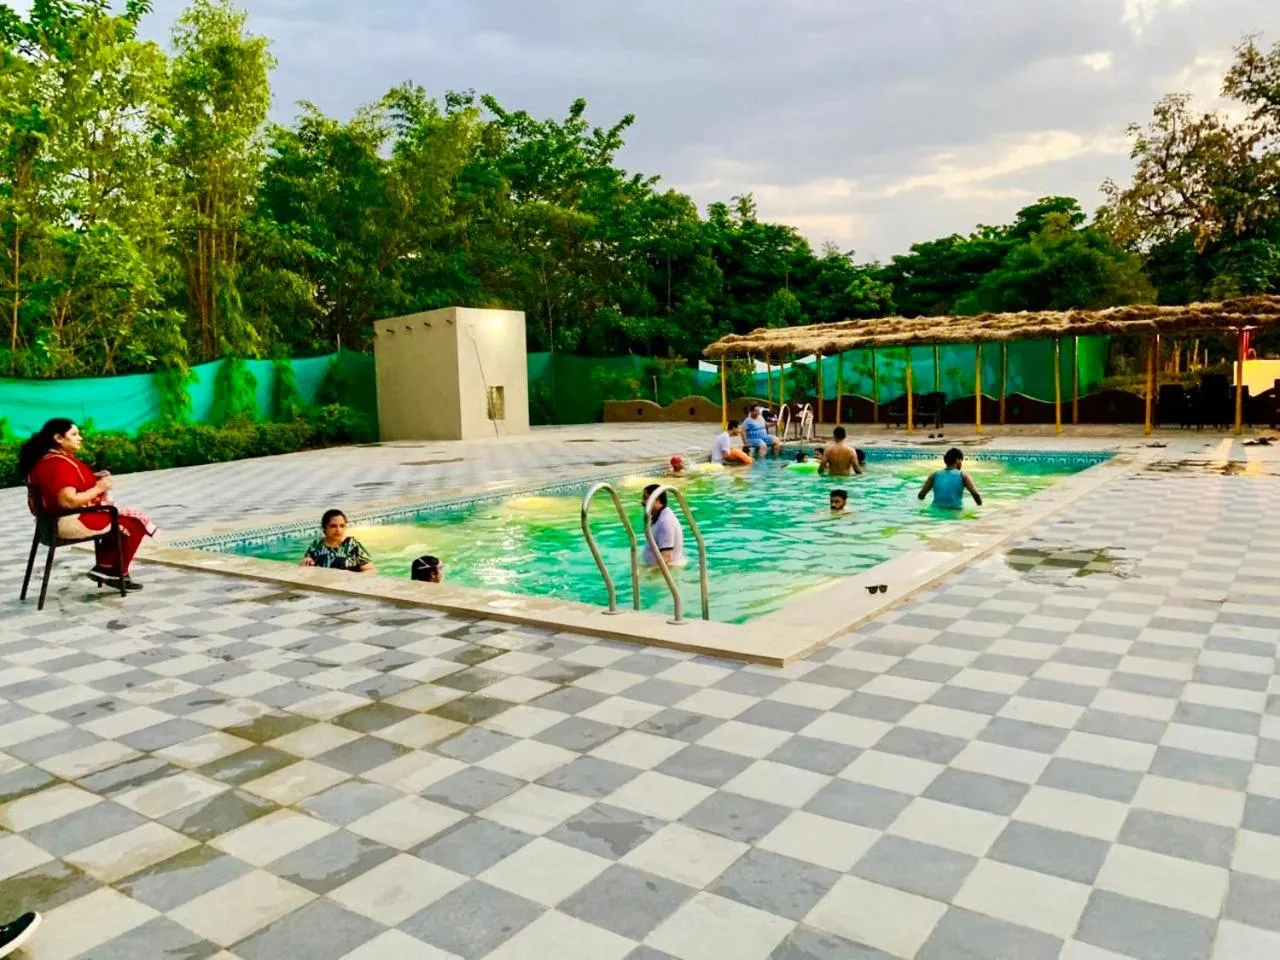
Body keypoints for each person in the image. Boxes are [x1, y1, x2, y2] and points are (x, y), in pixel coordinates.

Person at [19, 419, 156, 591]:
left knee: (120, 519)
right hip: (67, 521)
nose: (80, 438)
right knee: (134, 523)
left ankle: (107, 568)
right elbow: (67, 501)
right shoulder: (57, 464)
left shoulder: (47, 460)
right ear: (58, 438)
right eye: (74, 434)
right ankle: (111, 571)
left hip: (48, 524)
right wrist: (100, 487)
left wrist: (93, 479)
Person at [302, 509, 375, 573]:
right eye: (333, 526)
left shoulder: (352, 544)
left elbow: (370, 570)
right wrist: (306, 561)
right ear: (325, 528)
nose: (338, 530)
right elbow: (305, 566)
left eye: (342, 526)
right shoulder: (316, 544)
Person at [918, 447, 984, 510]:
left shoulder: (934, 475)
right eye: (961, 461)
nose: (961, 463)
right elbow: (976, 495)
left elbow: (921, 495)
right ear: (957, 460)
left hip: (936, 510)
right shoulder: (963, 476)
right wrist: (980, 507)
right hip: (955, 511)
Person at [641, 484, 685, 567]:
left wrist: (646, 573)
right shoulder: (660, 517)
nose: (642, 502)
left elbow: (667, 558)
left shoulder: (665, 521)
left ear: (656, 499)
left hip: (663, 575)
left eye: (645, 498)